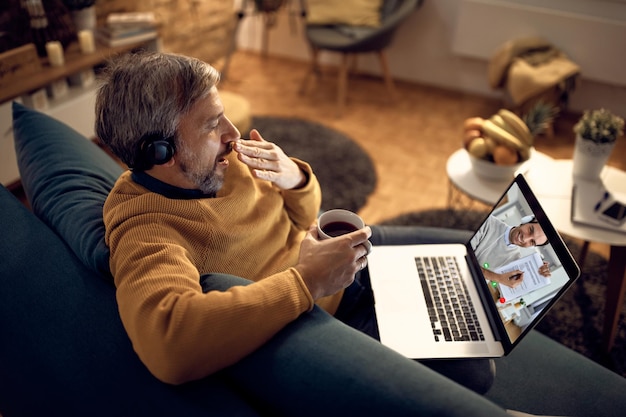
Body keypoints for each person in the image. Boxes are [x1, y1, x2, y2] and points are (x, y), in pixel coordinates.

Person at [96, 51, 503, 414]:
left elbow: (301, 216)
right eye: (210, 125)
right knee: (474, 369)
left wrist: (293, 178)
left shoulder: (218, 162)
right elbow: (169, 346)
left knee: (462, 254)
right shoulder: (145, 228)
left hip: (335, 260)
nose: (233, 135)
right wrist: (308, 280)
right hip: (324, 313)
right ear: (160, 154)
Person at [470, 215, 551, 289]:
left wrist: (538, 273)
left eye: (532, 242)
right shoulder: (487, 222)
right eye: (530, 230)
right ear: (525, 221)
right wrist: (497, 277)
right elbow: (461, 256)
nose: (525, 238)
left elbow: (506, 290)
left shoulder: (516, 260)